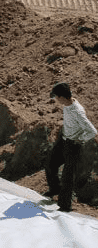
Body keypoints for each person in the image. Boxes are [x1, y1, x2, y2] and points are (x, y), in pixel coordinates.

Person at [44, 82, 97, 212]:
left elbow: (92, 131)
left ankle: (65, 206)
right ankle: (55, 189)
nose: (55, 100)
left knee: (68, 175)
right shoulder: (68, 103)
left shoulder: (77, 112)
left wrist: (80, 140)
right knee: (50, 164)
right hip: (63, 139)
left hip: (73, 144)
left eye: (56, 97)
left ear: (62, 97)